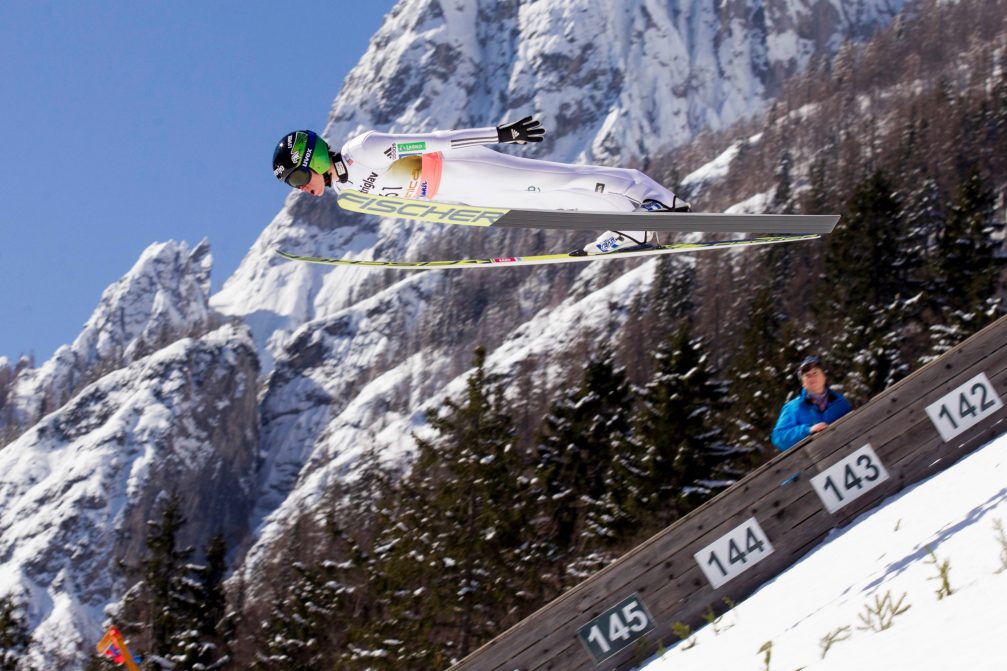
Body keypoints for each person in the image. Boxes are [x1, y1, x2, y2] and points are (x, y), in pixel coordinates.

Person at [270, 118, 691, 255]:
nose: (301, 188)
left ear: (315, 160)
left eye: (298, 177)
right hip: (463, 194)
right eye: (294, 185)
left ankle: (648, 193)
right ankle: (632, 225)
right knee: (556, 202)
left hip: (466, 167)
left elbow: (437, 141)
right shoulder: (350, 193)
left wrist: (500, 133)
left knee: (554, 180)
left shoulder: (365, 149)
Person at [771, 355, 853, 451]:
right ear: (803, 383)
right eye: (807, 375)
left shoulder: (839, 400)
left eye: (815, 373)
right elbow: (778, 437)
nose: (812, 378)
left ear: (824, 376)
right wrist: (808, 430)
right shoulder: (792, 408)